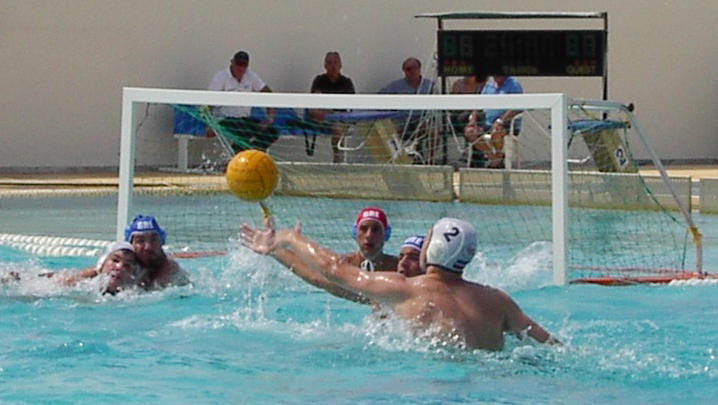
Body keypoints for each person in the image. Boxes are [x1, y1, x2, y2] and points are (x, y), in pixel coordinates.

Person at [240, 216, 559, 351]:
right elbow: (552, 347)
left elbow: (332, 269)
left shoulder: (401, 289)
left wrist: (289, 238)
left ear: (433, 248)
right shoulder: (498, 300)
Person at [1, 241, 146, 295]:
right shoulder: (83, 286)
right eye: (115, 260)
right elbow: (48, 283)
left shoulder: (133, 295)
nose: (120, 267)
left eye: (128, 265)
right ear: (102, 264)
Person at [207, 50, 278, 153]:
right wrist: (209, 125)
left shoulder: (250, 76)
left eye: (244, 65)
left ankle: (251, 153)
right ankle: (240, 155)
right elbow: (208, 102)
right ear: (232, 62)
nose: (240, 68)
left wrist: (269, 118)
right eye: (238, 64)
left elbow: (267, 92)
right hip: (225, 119)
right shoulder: (221, 77)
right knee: (243, 131)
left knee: (272, 131)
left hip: (245, 119)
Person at [379, 57, 436, 163]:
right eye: (408, 69)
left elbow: (436, 105)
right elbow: (380, 96)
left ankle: (430, 161)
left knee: (434, 131)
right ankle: (397, 160)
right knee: (390, 131)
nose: (412, 71)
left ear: (419, 68)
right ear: (404, 71)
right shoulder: (396, 86)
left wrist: (428, 119)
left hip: (422, 120)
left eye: (414, 68)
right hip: (402, 121)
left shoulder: (430, 85)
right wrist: (391, 115)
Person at [464, 75, 524, 168]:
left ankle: (497, 159)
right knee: (470, 132)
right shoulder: (489, 86)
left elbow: (517, 108)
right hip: (487, 124)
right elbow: (478, 104)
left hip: (507, 124)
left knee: (496, 132)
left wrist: (501, 120)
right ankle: (494, 159)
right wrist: (473, 120)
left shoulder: (514, 85)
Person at [307, 52, 356, 163]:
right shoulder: (319, 81)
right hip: (322, 118)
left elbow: (351, 105)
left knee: (337, 128)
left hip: (341, 118)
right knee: (313, 111)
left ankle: (337, 158)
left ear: (340, 65)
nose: (333, 66)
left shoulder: (346, 82)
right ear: (325, 66)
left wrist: (336, 114)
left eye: (335, 63)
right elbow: (314, 102)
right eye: (329, 63)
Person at [124, 215, 190, 289]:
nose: (148, 247)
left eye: (153, 239)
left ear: (161, 242)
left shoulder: (172, 273)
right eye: (140, 241)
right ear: (130, 244)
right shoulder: (120, 269)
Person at [343, 207, 398, 272]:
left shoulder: (399, 267)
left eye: (375, 229)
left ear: (386, 234)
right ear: (355, 232)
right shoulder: (342, 264)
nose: (369, 235)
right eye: (363, 228)